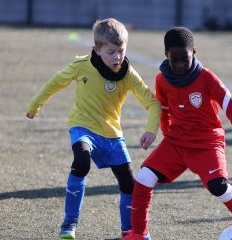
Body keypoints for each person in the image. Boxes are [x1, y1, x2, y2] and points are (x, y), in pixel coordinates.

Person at [26, 18, 161, 239]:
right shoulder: (82, 66)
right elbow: (56, 82)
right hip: (83, 128)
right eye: (110, 52)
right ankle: (69, 224)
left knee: (129, 182)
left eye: (121, 50)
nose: (117, 57)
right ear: (96, 50)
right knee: (81, 162)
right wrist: (35, 105)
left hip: (112, 134)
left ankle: (128, 231)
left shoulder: (127, 73)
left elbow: (152, 102)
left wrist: (151, 129)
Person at [122, 27, 232, 240]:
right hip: (176, 143)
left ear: (194, 52)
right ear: (166, 54)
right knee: (143, 178)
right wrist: (167, 135)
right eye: (173, 59)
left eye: (184, 59)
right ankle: (140, 234)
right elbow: (165, 111)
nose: (179, 65)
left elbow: (231, 107)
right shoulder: (162, 80)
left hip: (207, 143)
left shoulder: (206, 78)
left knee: (218, 187)